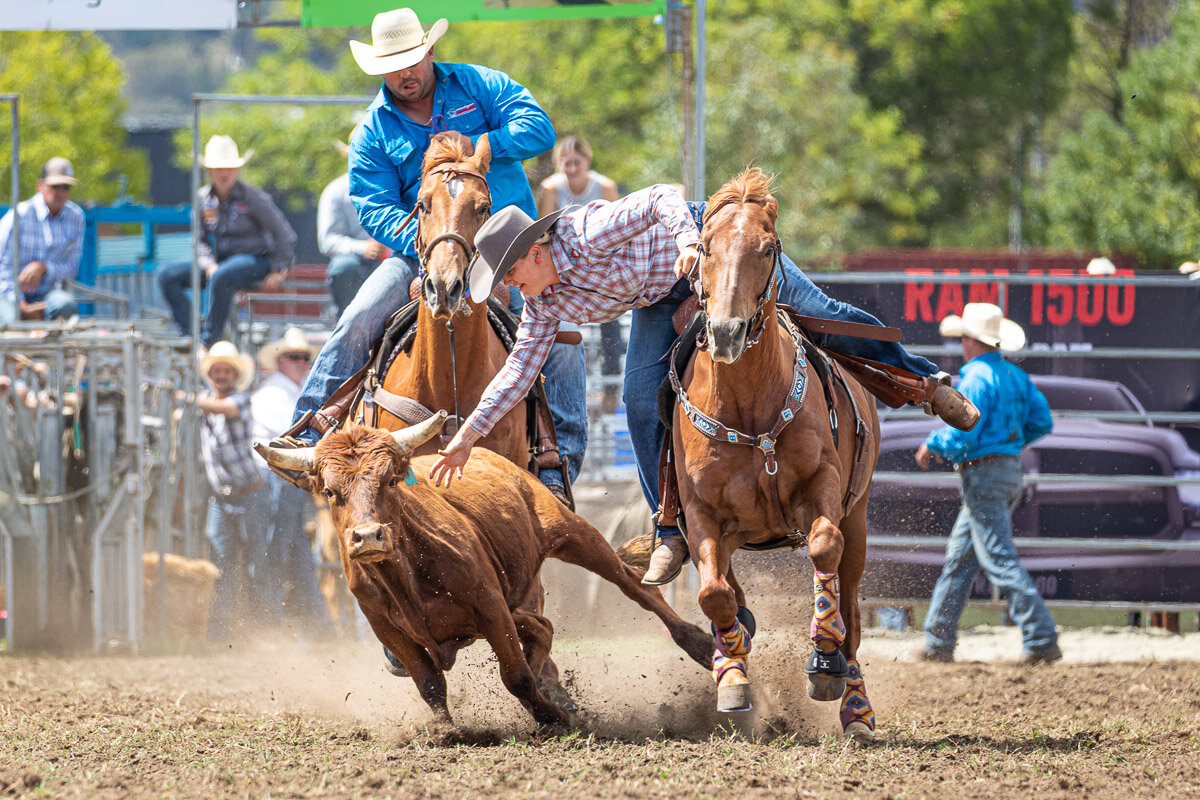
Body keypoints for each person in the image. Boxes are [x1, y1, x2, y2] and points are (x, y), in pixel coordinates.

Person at [428, 184, 977, 585]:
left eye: (510, 275)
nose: (511, 287)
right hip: (658, 293)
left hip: (713, 250)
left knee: (823, 314)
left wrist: (691, 242)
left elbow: (660, 198)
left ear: (536, 252)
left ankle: (926, 383)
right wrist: (465, 438)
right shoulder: (544, 304)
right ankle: (669, 527)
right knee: (640, 398)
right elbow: (517, 373)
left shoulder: (583, 231)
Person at [280, 7, 586, 503]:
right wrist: (433, 243)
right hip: (420, 250)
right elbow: (373, 206)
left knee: (562, 332)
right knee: (359, 316)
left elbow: (539, 129)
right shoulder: (373, 132)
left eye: (413, 60)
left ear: (429, 52)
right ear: (380, 69)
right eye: (395, 65)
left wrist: (483, 145)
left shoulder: (478, 85)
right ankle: (312, 430)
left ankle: (557, 461)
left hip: (505, 244)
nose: (407, 73)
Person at [914, 302, 1061, 665]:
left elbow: (965, 427)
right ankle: (937, 638)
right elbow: (1042, 422)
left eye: (963, 337)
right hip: (1007, 470)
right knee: (961, 557)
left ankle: (1041, 637)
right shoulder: (1015, 376)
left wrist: (934, 443)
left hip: (983, 476)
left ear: (970, 341)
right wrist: (1008, 444)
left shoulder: (976, 377)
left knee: (997, 559)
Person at [157, 135, 297, 349]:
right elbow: (199, 240)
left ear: (237, 170)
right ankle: (191, 331)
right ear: (209, 171)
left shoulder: (254, 197)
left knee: (223, 274)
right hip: (221, 263)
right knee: (167, 275)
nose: (224, 173)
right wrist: (208, 263)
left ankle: (211, 339)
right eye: (218, 168)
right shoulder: (203, 199)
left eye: (229, 167)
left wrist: (280, 267)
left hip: (256, 260)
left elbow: (283, 233)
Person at [250, 327, 334, 638]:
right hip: (276, 480)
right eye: (293, 357)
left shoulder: (289, 392)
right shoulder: (274, 393)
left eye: (304, 357)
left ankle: (314, 626)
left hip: (289, 482)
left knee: (291, 550)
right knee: (277, 552)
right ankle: (271, 624)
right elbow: (289, 438)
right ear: (279, 362)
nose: (301, 362)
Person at [185, 341, 268, 642]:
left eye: (226, 371)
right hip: (221, 498)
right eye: (216, 370)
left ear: (235, 376)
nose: (221, 375)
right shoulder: (205, 401)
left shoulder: (240, 401)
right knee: (220, 565)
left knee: (258, 564)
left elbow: (225, 408)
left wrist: (184, 397)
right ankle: (219, 634)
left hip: (250, 494)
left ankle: (265, 631)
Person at [537, 136, 624, 413]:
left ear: (587, 161)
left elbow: (618, 231)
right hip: (566, 266)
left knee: (611, 325)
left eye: (576, 162)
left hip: (598, 264)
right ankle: (560, 390)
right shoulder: (551, 188)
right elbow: (544, 234)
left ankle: (611, 391)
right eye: (566, 163)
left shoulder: (605, 187)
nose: (572, 169)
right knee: (562, 326)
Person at [0, 157, 83, 324]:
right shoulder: (19, 215)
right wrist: (21, 304)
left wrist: (44, 268)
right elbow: (2, 267)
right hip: (8, 292)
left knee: (65, 305)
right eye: (55, 186)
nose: (60, 192)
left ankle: (47, 349)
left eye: (66, 187)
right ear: (40, 185)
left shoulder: (76, 217)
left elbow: (71, 267)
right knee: (8, 320)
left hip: (45, 294)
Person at [319, 134, 391, 318]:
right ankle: (348, 321)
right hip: (358, 261)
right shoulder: (336, 191)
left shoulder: (394, 186)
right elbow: (327, 241)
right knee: (343, 267)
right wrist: (363, 248)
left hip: (393, 256)